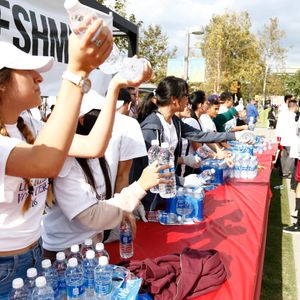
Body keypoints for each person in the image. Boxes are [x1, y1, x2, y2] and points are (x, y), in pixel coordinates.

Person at [0, 18, 113, 298]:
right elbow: (45, 162)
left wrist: (116, 88)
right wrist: (75, 73)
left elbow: (94, 145)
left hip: (35, 254)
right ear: (2, 83)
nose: (39, 78)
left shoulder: (30, 125)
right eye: (29, 71)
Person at [42, 87, 170, 257]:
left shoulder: (96, 156)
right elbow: (91, 215)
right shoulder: (67, 161)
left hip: (92, 246)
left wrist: (123, 210)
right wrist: (139, 188)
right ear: (81, 120)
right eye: (102, 117)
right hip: (65, 254)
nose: (110, 125)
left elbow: (103, 201)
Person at [129, 76, 252, 210]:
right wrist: (182, 181)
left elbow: (200, 135)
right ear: (174, 99)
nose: (188, 100)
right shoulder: (151, 127)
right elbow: (148, 168)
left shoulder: (175, 122)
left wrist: (235, 136)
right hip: (149, 198)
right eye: (185, 96)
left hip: (166, 192)